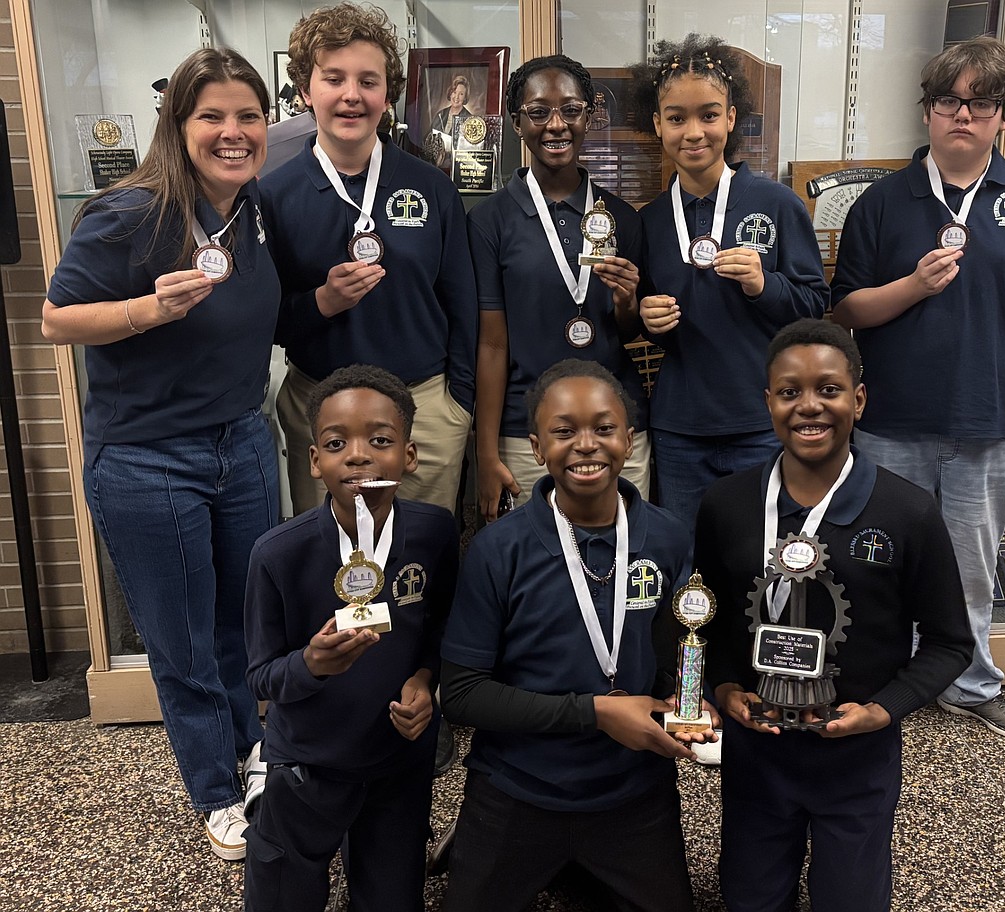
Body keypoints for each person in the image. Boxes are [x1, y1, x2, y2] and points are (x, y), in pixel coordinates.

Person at [41, 48, 278, 860]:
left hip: (244, 441)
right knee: (180, 643)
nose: (233, 132)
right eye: (211, 116)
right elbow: (56, 321)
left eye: (248, 115)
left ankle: (256, 758)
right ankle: (216, 791)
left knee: (243, 627)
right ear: (177, 125)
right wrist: (145, 309)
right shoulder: (127, 212)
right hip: (148, 460)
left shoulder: (253, 210)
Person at [831, 36, 1005, 741]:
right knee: (878, 559)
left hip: (988, 420)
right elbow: (845, 311)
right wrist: (912, 286)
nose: (962, 115)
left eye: (981, 103)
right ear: (928, 111)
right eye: (948, 101)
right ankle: (879, 676)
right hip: (891, 420)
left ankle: (970, 684)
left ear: (1003, 114)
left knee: (971, 565)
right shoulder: (880, 203)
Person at [695, 319, 973, 912]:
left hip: (856, 757)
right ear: (767, 402)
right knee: (749, 895)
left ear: (859, 399)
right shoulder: (726, 506)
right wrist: (720, 685)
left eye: (829, 389)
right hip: (758, 749)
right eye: (789, 392)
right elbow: (709, 620)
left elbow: (951, 643)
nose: (809, 407)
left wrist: (884, 710)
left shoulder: (908, 512)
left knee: (851, 897)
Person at [440, 359, 714, 912]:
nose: (586, 445)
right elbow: (462, 694)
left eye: (604, 428)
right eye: (564, 431)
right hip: (518, 787)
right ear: (538, 448)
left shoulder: (665, 537)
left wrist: (685, 698)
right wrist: (596, 713)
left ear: (629, 440)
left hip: (631, 791)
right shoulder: (499, 550)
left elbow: (669, 650)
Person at [243, 364, 458, 912]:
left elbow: (440, 631)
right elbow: (261, 676)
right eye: (337, 443)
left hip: (397, 760)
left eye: (380, 441)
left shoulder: (434, 533)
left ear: (409, 455)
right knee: (283, 896)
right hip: (310, 761)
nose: (358, 455)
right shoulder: (277, 554)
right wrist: (310, 664)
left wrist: (425, 681)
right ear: (315, 461)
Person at [261, 2, 476, 517]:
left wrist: (458, 405)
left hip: (422, 408)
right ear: (306, 90)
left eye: (368, 80)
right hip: (320, 407)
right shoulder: (272, 196)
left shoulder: (432, 187)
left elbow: (464, 307)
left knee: (419, 565)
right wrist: (322, 303)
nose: (351, 95)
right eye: (333, 78)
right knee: (331, 570)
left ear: (388, 95)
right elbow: (264, 319)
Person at [629, 34, 829, 526]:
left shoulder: (777, 205)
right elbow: (637, 317)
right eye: (676, 118)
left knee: (760, 558)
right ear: (658, 125)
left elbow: (815, 308)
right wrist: (644, 317)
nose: (693, 132)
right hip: (679, 428)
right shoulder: (648, 221)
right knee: (688, 561)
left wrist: (765, 285)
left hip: (760, 420)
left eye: (709, 115)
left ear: (732, 118)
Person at [470, 54, 650, 522]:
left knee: (624, 560)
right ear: (516, 123)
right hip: (526, 431)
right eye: (538, 112)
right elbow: (491, 343)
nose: (556, 125)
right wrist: (486, 454)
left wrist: (628, 302)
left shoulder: (622, 218)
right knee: (534, 570)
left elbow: (627, 331)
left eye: (571, 110)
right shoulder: (490, 221)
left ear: (590, 115)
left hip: (617, 428)